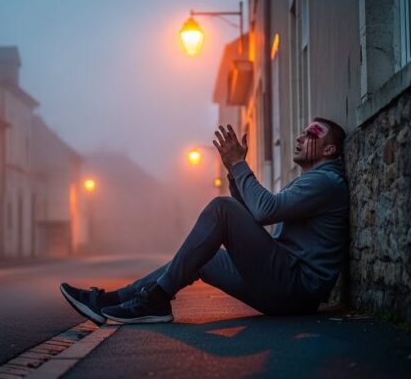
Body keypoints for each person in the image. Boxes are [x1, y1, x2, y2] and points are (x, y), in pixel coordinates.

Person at [60, 117, 349, 324]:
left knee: (221, 207)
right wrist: (234, 173)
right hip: (284, 285)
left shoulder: (325, 182)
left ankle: (156, 299)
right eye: (303, 133)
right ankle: (110, 301)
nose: (300, 138)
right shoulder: (313, 181)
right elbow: (254, 218)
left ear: (329, 150)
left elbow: (264, 210)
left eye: (311, 135)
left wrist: (239, 164)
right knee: (202, 256)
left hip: (296, 289)